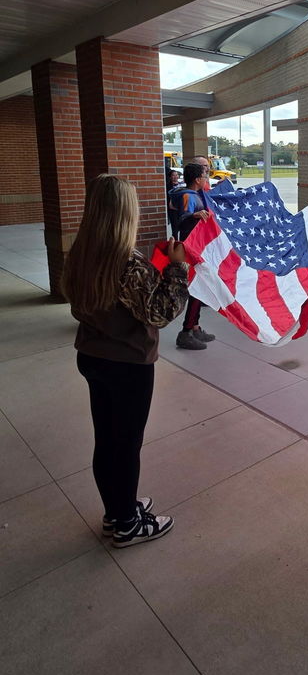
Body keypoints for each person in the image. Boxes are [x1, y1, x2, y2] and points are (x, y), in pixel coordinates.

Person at [61, 174, 190, 548]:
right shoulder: (127, 264)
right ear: (124, 214)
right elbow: (160, 314)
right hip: (128, 365)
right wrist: (176, 268)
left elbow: (79, 305)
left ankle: (117, 510)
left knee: (107, 440)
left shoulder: (81, 254)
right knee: (126, 444)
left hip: (92, 356)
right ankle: (127, 524)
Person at [170, 161, 215, 350]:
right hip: (191, 250)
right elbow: (181, 220)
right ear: (197, 179)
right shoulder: (188, 196)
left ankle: (194, 327)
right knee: (197, 290)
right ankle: (186, 331)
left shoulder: (196, 194)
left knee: (199, 289)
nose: (206, 178)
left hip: (198, 249)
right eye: (205, 175)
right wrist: (195, 216)